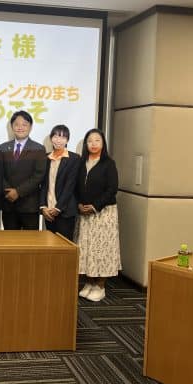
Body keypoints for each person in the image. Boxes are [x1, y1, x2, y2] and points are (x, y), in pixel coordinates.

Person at [75, 128, 121, 302]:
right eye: (90, 141)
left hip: (103, 213)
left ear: (103, 143)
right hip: (84, 213)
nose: (93, 144)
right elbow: (76, 187)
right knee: (87, 249)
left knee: (102, 249)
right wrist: (79, 204)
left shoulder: (109, 163)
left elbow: (112, 189)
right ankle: (89, 282)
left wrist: (95, 206)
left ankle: (100, 286)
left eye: (97, 140)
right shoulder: (81, 163)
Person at [0, 110, 46, 230]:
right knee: (9, 239)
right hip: (8, 203)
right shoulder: (3, 148)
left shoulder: (39, 148)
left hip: (29, 205)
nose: (20, 127)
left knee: (31, 240)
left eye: (24, 124)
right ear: (12, 127)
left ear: (30, 127)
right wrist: (8, 192)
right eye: (17, 124)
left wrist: (18, 192)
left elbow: (39, 175)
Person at [39, 125, 80, 241]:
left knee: (64, 245)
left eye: (63, 137)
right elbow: (43, 185)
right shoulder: (46, 158)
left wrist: (58, 208)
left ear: (67, 140)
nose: (58, 140)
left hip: (65, 211)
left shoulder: (74, 158)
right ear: (51, 138)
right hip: (48, 210)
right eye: (56, 136)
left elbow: (70, 186)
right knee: (49, 244)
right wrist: (43, 207)